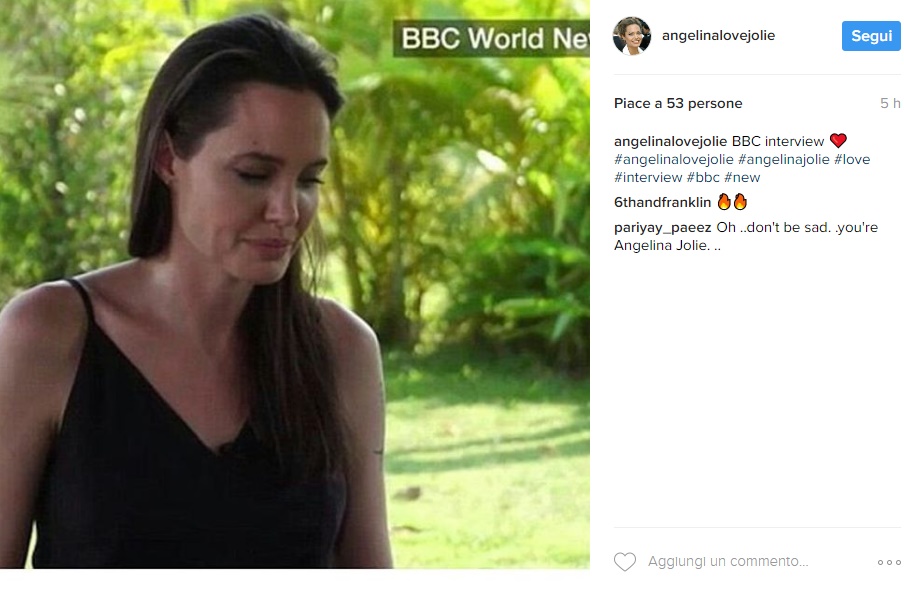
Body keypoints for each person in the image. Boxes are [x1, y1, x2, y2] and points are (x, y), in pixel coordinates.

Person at [0, 14, 392, 568]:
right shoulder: (48, 334)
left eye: (308, 180)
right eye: (254, 174)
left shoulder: (341, 349)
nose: (286, 212)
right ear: (168, 159)